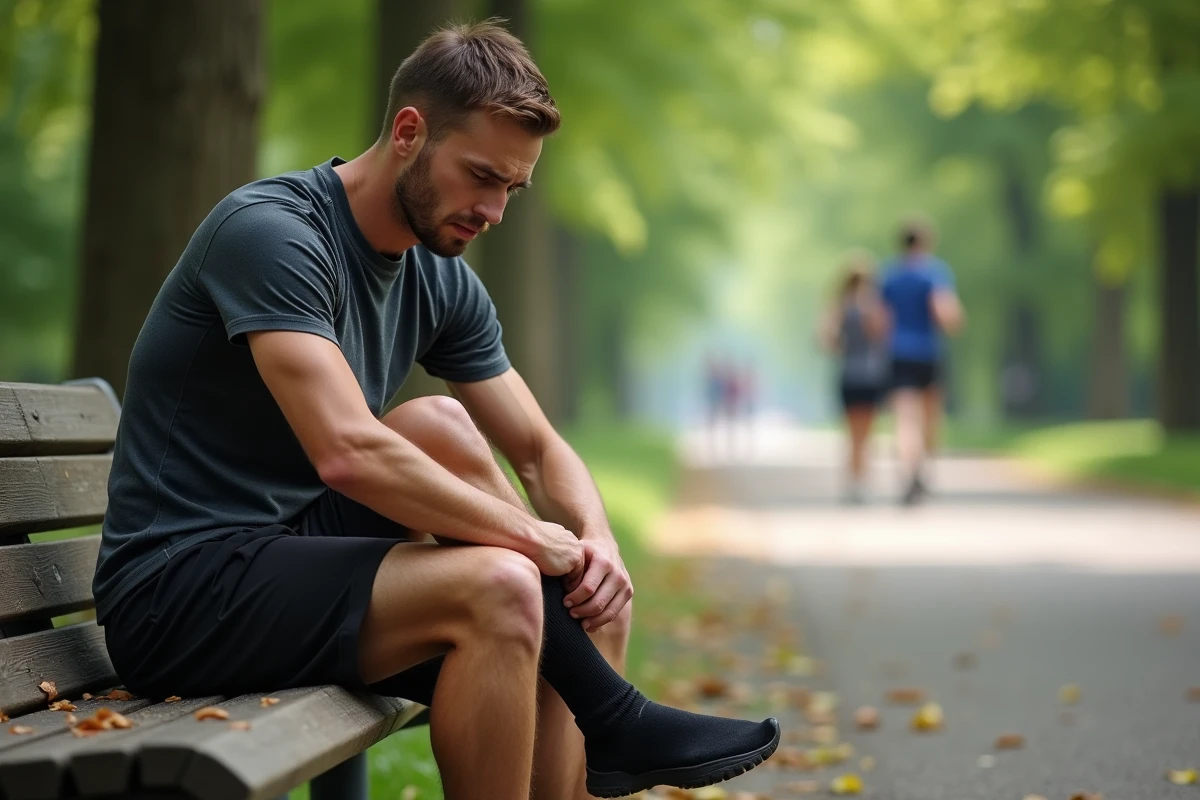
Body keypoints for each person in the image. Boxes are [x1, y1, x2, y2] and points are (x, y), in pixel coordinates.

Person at [90, 21, 779, 800]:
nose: (494, 210)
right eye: (481, 175)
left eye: (512, 188)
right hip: (181, 591)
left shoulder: (439, 277)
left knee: (549, 559)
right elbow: (348, 451)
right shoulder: (273, 235)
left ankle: (615, 724)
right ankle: (618, 717)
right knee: (505, 589)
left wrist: (595, 540)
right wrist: (531, 544)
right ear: (410, 133)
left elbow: (538, 450)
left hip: (291, 554)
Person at [879, 216, 964, 505]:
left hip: (898, 353)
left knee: (904, 419)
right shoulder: (934, 273)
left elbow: (880, 322)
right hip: (928, 353)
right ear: (926, 243)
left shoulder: (889, 275)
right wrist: (953, 322)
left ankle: (908, 471)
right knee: (930, 418)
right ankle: (923, 471)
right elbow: (945, 313)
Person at [818, 251, 889, 504]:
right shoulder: (874, 305)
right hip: (870, 375)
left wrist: (843, 343)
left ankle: (854, 482)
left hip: (849, 374)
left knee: (852, 433)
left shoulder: (838, 306)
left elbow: (824, 340)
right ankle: (860, 482)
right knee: (866, 434)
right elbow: (883, 335)